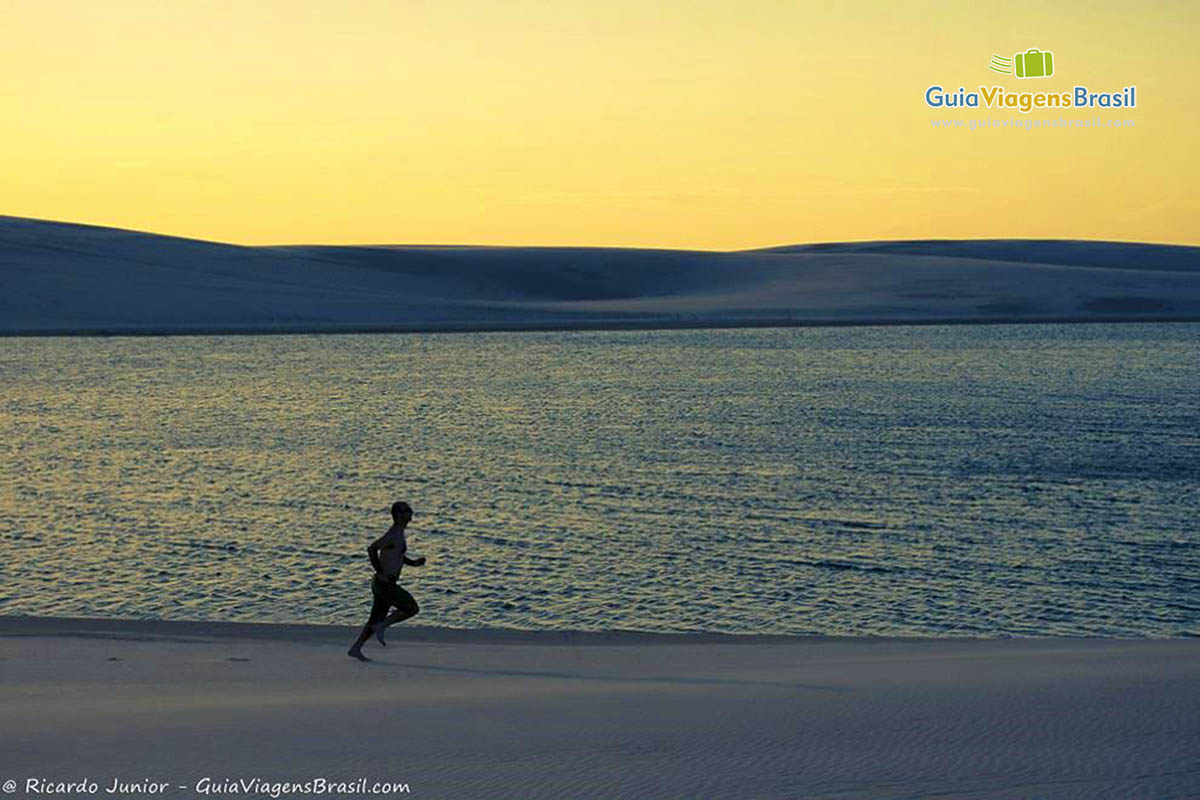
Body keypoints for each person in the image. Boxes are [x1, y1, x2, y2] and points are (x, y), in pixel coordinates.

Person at [347, 501, 426, 661]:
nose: (410, 513)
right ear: (398, 515)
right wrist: (380, 571)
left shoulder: (399, 534)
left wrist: (414, 563)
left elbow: (398, 556)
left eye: (410, 510)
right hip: (385, 585)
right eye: (406, 510)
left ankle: (356, 648)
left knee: (375, 618)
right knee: (411, 608)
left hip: (382, 584)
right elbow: (372, 548)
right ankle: (382, 626)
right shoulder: (393, 534)